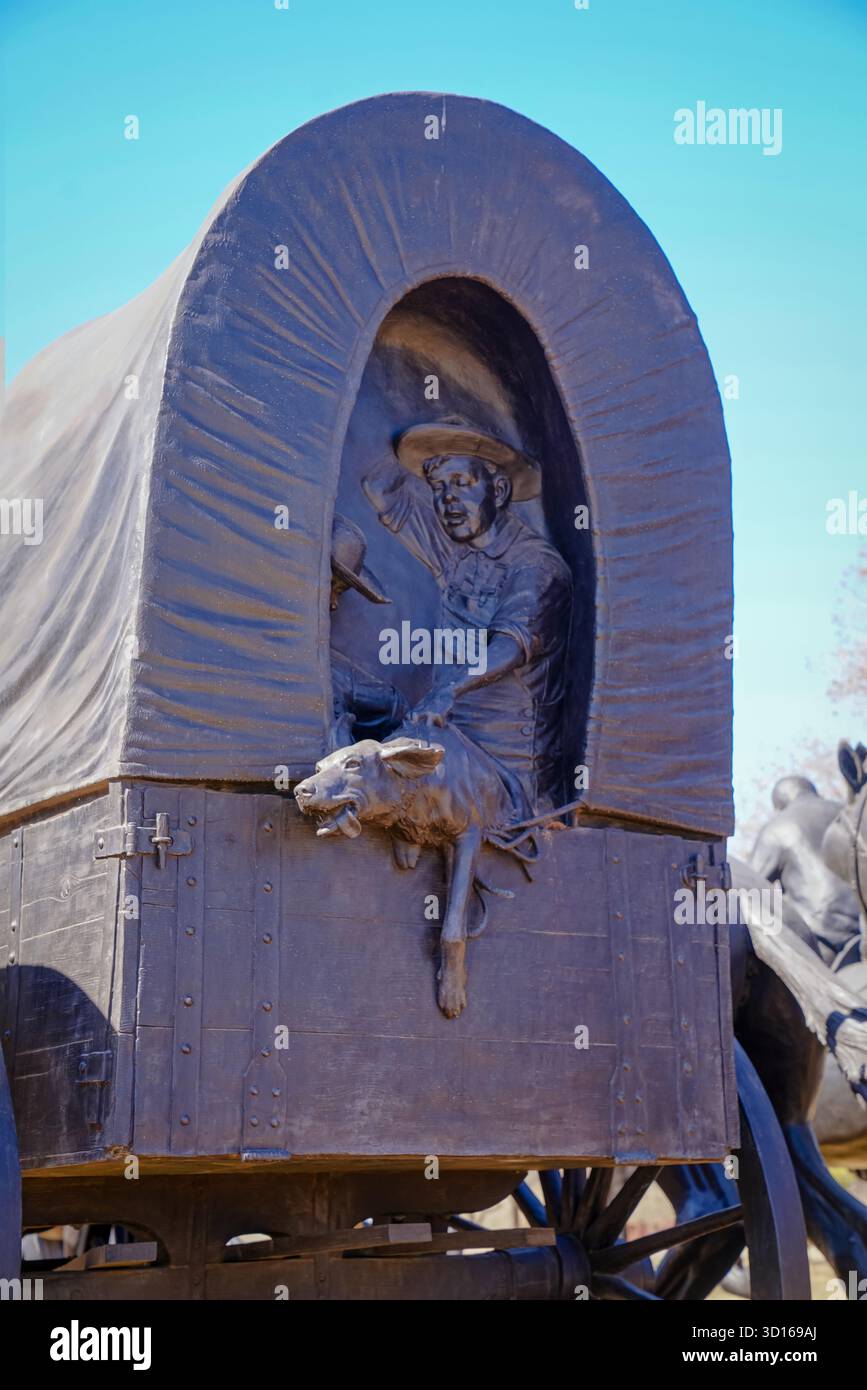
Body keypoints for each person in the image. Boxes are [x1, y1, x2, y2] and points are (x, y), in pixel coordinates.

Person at [363, 417, 572, 814]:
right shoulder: (456, 556)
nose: (448, 501)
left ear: (499, 489)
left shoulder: (537, 567)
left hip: (507, 781)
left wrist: (448, 691)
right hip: (449, 755)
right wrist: (423, 443)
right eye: (439, 488)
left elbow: (510, 645)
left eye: (462, 484)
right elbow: (380, 489)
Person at [750, 775, 861, 963]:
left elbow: (749, 885)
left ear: (778, 807)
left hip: (823, 942)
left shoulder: (777, 827)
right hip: (862, 931)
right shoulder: (850, 814)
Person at [328, 514, 407, 749]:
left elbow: (395, 708)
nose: (334, 603)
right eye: (333, 586)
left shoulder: (342, 678)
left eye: (340, 592)